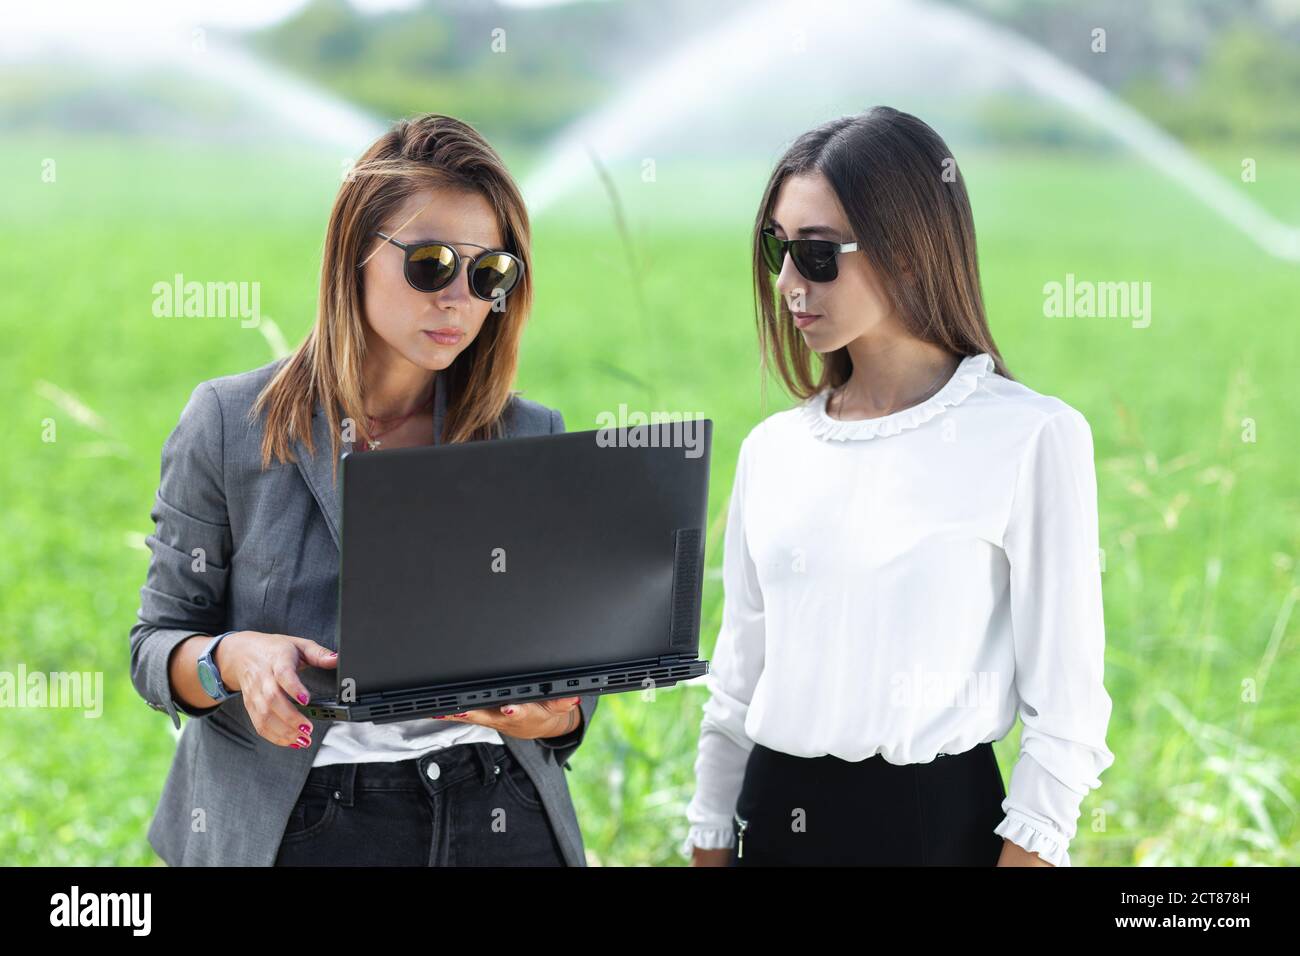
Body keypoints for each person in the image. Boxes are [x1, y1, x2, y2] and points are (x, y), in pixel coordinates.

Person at [129, 113, 596, 866]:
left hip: (499, 808)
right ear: (355, 254)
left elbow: (570, 675)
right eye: (431, 263)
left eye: (489, 274)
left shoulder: (529, 434)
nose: (458, 300)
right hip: (308, 821)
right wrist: (235, 659)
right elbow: (157, 646)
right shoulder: (227, 422)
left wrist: (553, 716)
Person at [683, 106, 1115, 867]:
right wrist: (711, 836)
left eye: (818, 255)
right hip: (773, 822)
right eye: (775, 249)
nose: (788, 283)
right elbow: (738, 682)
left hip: (935, 832)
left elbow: (1069, 719)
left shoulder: (1029, 437)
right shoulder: (774, 449)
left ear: (910, 254)